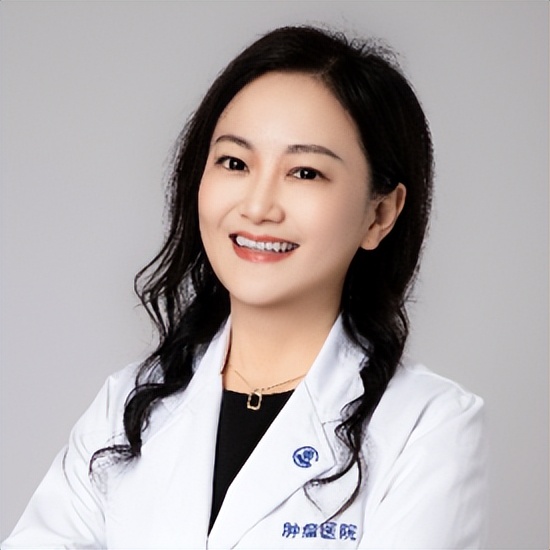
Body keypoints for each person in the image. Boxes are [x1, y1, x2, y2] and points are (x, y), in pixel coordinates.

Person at [2, 26, 486, 549]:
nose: (257, 207)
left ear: (380, 213)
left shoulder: (426, 425)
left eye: (305, 172)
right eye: (235, 163)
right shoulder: (127, 406)